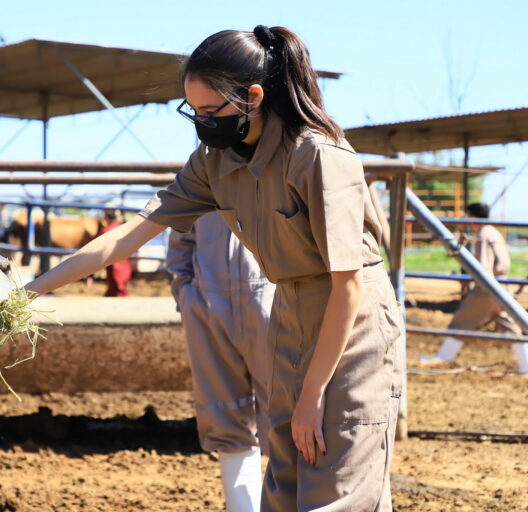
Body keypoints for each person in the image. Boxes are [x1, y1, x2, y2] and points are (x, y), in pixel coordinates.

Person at [26, 25, 403, 511]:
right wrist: (28, 291)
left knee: (338, 485)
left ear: (252, 96)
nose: (202, 123)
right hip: (288, 317)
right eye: (194, 112)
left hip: (350, 329)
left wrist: (312, 395)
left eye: (210, 111)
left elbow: (347, 286)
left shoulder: (319, 156)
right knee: (286, 487)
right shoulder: (214, 160)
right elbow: (130, 234)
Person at [167, 211, 275, 512]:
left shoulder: (283, 165)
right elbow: (180, 233)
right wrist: (187, 294)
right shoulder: (202, 170)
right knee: (225, 418)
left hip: (272, 300)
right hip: (208, 303)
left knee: (288, 418)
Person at [420, 202, 528, 375]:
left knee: (461, 321)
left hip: (487, 288)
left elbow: (484, 268)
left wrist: (493, 297)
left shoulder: (484, 234)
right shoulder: (493, 232)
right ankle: (526, 366)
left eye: (468, 215)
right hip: (500, 285)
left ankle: (442, 359)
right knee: (512, 326)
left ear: (472, 216)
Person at [99, 208, 132, 297]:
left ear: (106, 218)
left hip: (112, 259)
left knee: (114, 279)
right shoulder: (123, 227)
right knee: (119, 281)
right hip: (123, 258)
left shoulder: (105, 230)